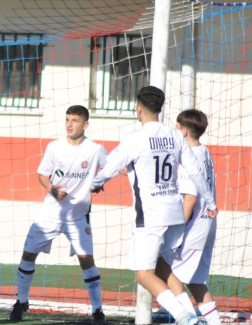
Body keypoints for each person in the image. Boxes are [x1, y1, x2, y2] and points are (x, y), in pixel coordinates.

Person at [89, 86, 217, 325]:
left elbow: (110, 166)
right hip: (175, 216)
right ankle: (190, 315)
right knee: (162, 268)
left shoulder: (134, 139)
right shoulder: (175, 135)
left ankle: (187, 318)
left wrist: (94, 184)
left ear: (138, 108)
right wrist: (210, 202)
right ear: (160, 108)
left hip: (150, 217)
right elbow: (196, 172)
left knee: (143, 275)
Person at [9, 105, 109, 324]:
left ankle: (98, 311)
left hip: (78, 216)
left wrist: (100, 181)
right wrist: (52, 188)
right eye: (67, 120)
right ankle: (21, 302)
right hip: (50, 213)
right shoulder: (54, 147)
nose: (70, 124)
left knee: (86, 260)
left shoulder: (95, 149)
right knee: (28, 254)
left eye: (74, 120)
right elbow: (42, 175)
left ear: (85, 124)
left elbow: (113, 167)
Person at [155, 110, 222, 325]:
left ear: (183, 131)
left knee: (161, 266)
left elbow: (190, 198)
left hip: (194, 225)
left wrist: (175, 229)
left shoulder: (189, 158)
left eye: (176, 127)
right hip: (208, 222)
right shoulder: (205, 152)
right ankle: (214, 323)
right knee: (195, 280)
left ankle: (188, 318)